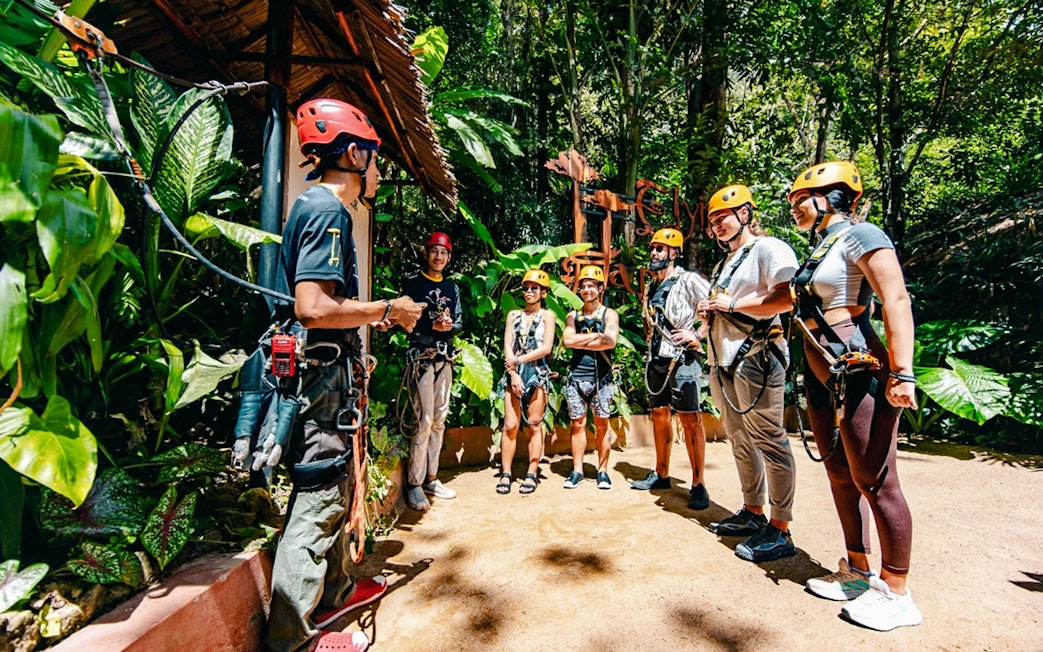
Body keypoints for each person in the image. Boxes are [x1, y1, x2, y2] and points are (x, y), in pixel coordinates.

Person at [263, 98, 423, 652]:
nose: (377, 169)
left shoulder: (313, 207)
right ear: (353, 153)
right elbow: (311, 307)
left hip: (330, 370)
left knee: (334, 481)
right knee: (320, 493)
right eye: (374, 157)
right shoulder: (328, 211)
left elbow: (324, 311)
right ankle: (293, 638)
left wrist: (356, 349)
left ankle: (334, 593)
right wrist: (387, 310)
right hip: (320, 383)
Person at [787, 160, 921, 631]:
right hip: (823, 372)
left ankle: (897, 591)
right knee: (841, 473)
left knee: (876, 479)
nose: (794, 206)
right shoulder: (819, 247)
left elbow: (895, 298)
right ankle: (858, 570)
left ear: (832, 197)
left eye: (800, 198)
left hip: (858, 364)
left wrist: (902, 373)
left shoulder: (862, 236)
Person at [697, 184, 799, 563]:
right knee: (740, 440)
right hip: (723, 359)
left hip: (758, 356)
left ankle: (781, 527)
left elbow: (789, 296)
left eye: (723, 217)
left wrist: (734, 302)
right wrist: (710, 314)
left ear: (745, 214)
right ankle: (753, 512)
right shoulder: (726, 261)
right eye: (712, 221)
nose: (716, 225)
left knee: (770, 441)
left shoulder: (768, 249)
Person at [632, 228, 713, 511]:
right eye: (652, 248)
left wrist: (698, 335)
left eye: (660, 249)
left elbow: (714, 308)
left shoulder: (689, 280)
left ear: (674, 253)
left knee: (690, 419)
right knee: (659, 414)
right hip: (657, 358)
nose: (654, 253)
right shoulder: (652, 285)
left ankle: (698, 483)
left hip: (684, 358)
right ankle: (662, 472)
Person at [398, 231, 462, 511]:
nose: (438, 257)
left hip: (444, 359)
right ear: (426, 253)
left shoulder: (452, 288)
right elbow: (402, 320)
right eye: (434, 251)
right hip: (421, 358)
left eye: (444, 253)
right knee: (422, 421)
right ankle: (413, 483)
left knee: (439, 420)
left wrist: (449, 326)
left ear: (449, 257)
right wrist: (429, 327)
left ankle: (431, 478)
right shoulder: (412, 284)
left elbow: (460, 322)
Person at [497, 269, 556, 495]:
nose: (529, 292)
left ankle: (532, 472)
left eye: (534, 288)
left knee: (534, 424)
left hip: (537, 370)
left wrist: (519, 360)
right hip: (514, 371)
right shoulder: (513, 315)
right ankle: (506, 473)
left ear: (543, 292)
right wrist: (513, 373)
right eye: (525, 288)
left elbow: (546, 348)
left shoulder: (547, 316)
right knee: (510, 425)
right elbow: (508, 345)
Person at [561, 265, 620, 489]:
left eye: (591, 286)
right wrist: (597, 335)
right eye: (583, 286)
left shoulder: (609, 314)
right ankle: (577, 470)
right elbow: (568, 341)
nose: (586, 290)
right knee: (578, 424)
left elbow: (611, 341)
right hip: (577, 376)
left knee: (602, 424)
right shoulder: (572, 316)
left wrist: (582, 339)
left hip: (602, 378)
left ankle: (602, 471)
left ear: (600, 288)